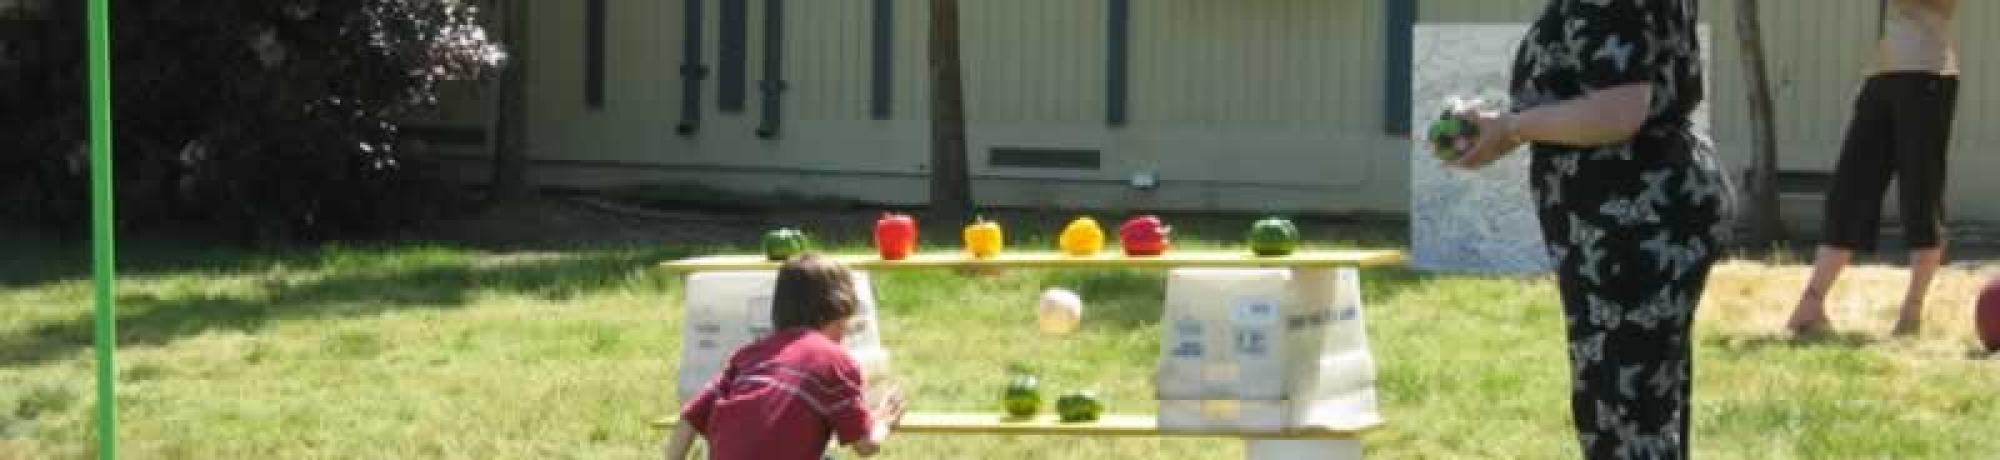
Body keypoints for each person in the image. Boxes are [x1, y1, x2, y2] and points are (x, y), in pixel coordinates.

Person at [1446, 0, 1729, 457]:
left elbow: (1618, 111)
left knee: (1624, 419)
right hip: (1640, 215)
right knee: (1643, 408)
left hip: (1633, 223)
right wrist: (1503, 128)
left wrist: (1513, 128)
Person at [1788, 0, 1960, 337]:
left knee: (1920, 195)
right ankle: (1811, 305)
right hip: (1883, 73)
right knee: (1848, 190)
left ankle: (1911, 315)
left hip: (1929, 74)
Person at [662, 254, 906, 460]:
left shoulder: (749, 356)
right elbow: (865, 446)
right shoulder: (835, 361)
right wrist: (883, 421)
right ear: (840, 308)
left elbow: (689, 419)